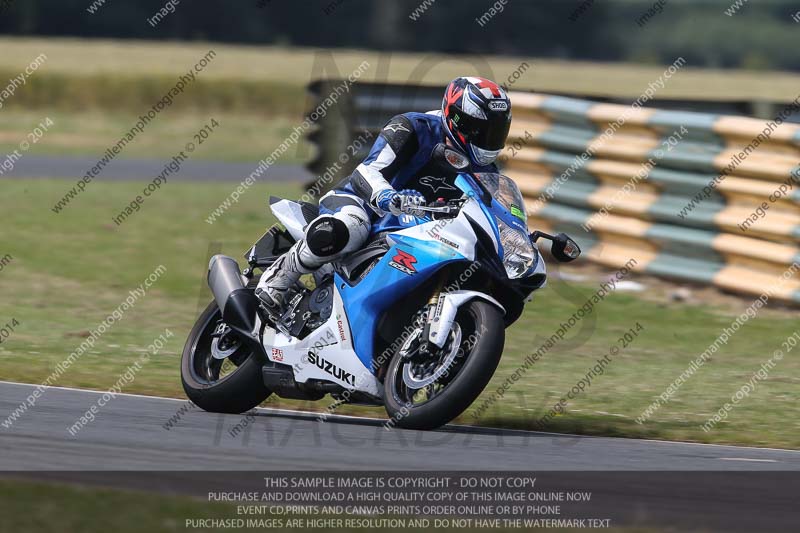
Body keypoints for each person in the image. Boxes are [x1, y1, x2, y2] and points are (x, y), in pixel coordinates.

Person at [256, 76, 513, 310]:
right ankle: (280, 276)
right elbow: (367, 171)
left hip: (419, 228)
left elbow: (491, 211)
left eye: (495, 132)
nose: (487, 139)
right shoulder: (412, 127)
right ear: (457, 119)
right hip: (363, 204)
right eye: (481, 130)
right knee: (352, 226)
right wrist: (387, 196)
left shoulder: (487, 169)